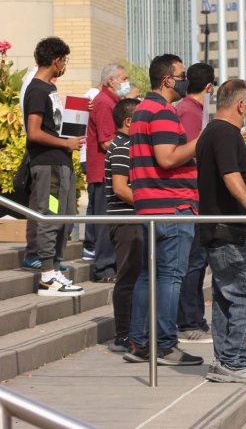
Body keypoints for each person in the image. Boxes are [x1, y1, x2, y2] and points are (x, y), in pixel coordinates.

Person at [196, 79, 246, 383]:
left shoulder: (215, 133)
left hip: (223, 229)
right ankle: (234, 361)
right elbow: (230, 176)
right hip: (229, 230)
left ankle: (225, 360)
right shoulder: (223, 133)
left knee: (226, 296)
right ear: (241, 104)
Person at [125, 54, 203, 366]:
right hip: (172, 204)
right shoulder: (162, 112)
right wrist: (202, 140)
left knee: (149, 275)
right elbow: (168, 158)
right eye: (182, 75)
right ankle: (166, 345)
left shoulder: (143, 108)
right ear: (168, 79)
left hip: (151, 205)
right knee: (170, 276)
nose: (186, 80)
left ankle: (141, 342)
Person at [23, 37, 84, 295]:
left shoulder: (49, 89)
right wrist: (64, 143)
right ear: (56, 60)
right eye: (64, 60)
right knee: (51, 214)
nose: (64, 65)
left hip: (61, 164)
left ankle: (55, 269)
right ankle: (47, 274)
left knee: (65, 216)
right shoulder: (37, 89)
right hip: (49, 165)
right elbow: (34, 133)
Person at [174, 62, 216, 343]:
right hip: (191, 193)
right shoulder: (189, 111)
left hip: (200, 194)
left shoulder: (199, 111)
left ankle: (194, 317)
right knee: (193, 262)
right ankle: (189, 320)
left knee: (198, 262)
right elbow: (191, 151)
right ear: (210, 87)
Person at [84, 63, 135, 281]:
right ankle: (104, 268)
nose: (126, 82)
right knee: (105, 222)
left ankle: (109, 265)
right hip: (104, 172)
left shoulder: (112, 102)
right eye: (123, 78)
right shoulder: (104, 103)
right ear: (111, 81)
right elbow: (106, 142)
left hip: (110, 171)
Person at [105, 98, 141, 351]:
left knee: (138, 276)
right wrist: (149, 204)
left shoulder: (131, 144)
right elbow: (120, 188)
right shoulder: (121, 147)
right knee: (128, 276)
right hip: (127, 221)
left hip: (136, 219)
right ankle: (123, 334)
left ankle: (136, 331)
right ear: (129, 121)